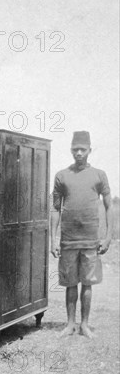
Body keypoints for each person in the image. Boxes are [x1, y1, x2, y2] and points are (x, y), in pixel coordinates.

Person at [51, 131, 113, 338]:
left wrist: (108, 237)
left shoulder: (99, 175)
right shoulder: (61, 175)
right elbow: (55, 209)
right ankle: (70, 324)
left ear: (89, 150)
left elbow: (108, 206)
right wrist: (53, 239)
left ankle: (85, 325)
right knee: (70, 283)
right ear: (70, 150)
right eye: (75, 149)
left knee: (87, 283)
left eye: (82, 149)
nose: (79, 153)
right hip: (68, 239)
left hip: (90, 240)